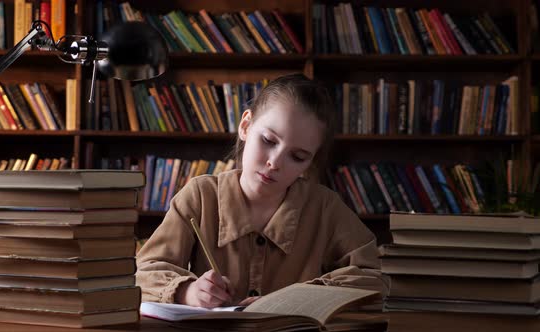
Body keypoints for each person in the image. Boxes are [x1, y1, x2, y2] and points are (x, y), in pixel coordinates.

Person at [136, 74, 389, 308]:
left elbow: (373, 277)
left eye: (298, 156)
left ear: (310, 163)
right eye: (268, 141)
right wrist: (188, 292)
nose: (275, 163)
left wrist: (300, 297)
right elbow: (144, 272)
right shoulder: (200, 196)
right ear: (246, 126)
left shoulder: (324, 207)